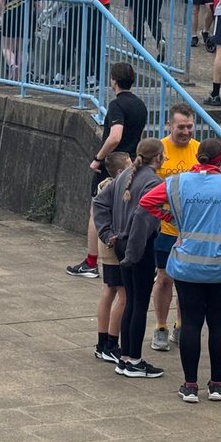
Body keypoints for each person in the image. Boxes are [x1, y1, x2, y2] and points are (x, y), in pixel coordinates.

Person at [140, 138, 221, 402]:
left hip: (188, 265)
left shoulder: (177, 182)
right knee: (220, 324)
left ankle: (190, 385)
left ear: (197, 157)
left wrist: (174, 220)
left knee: (190, 323)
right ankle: (216, 385)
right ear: (220, 160)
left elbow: (147, 202)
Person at [93, 138, 164, 377]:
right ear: (159, 157)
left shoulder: (123, 176)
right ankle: (134, 360)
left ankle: (124, 358)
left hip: (121, 245)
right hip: (138, 249)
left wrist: (107, 233)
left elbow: (99, 202)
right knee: (138, 304)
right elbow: (143, 219)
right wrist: (133, 255)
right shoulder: (153, 181)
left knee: (130, 301)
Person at [69, 63, 147, 278]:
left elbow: (115, 136)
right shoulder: (141, 106)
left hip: (112, 166)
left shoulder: (116, 105)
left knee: (97, 211)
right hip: (131, 165)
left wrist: (98, 159)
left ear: (113, 80)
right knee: (124, 213)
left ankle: (91, 262)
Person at [152, 104, 199, 351]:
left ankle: (181, 325)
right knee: (164, 279)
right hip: (165, 229)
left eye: (189, 126)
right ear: (169, 125)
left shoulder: (199, 151)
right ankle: (160, 326)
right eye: (180, 127)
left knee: (186, 281)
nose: (185, 131)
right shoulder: (159, 150)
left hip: (190, 231)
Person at [91, 151, 131, 363]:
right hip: (114, 247)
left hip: (106, 247)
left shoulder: (104, 186)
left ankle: (102, 342)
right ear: (120, 172)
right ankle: (111, 343)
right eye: (130, 165)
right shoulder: (116, 189)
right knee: (124, 297)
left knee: (109, 292)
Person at [0, 0, 40, 81]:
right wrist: (38, 18)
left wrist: (0, 16)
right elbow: (38, 4)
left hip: (10, 16)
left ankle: (12, 65)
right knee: (22, 49)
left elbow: (1, 0)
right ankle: (20, 78)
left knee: (6, 47)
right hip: (28, 18)